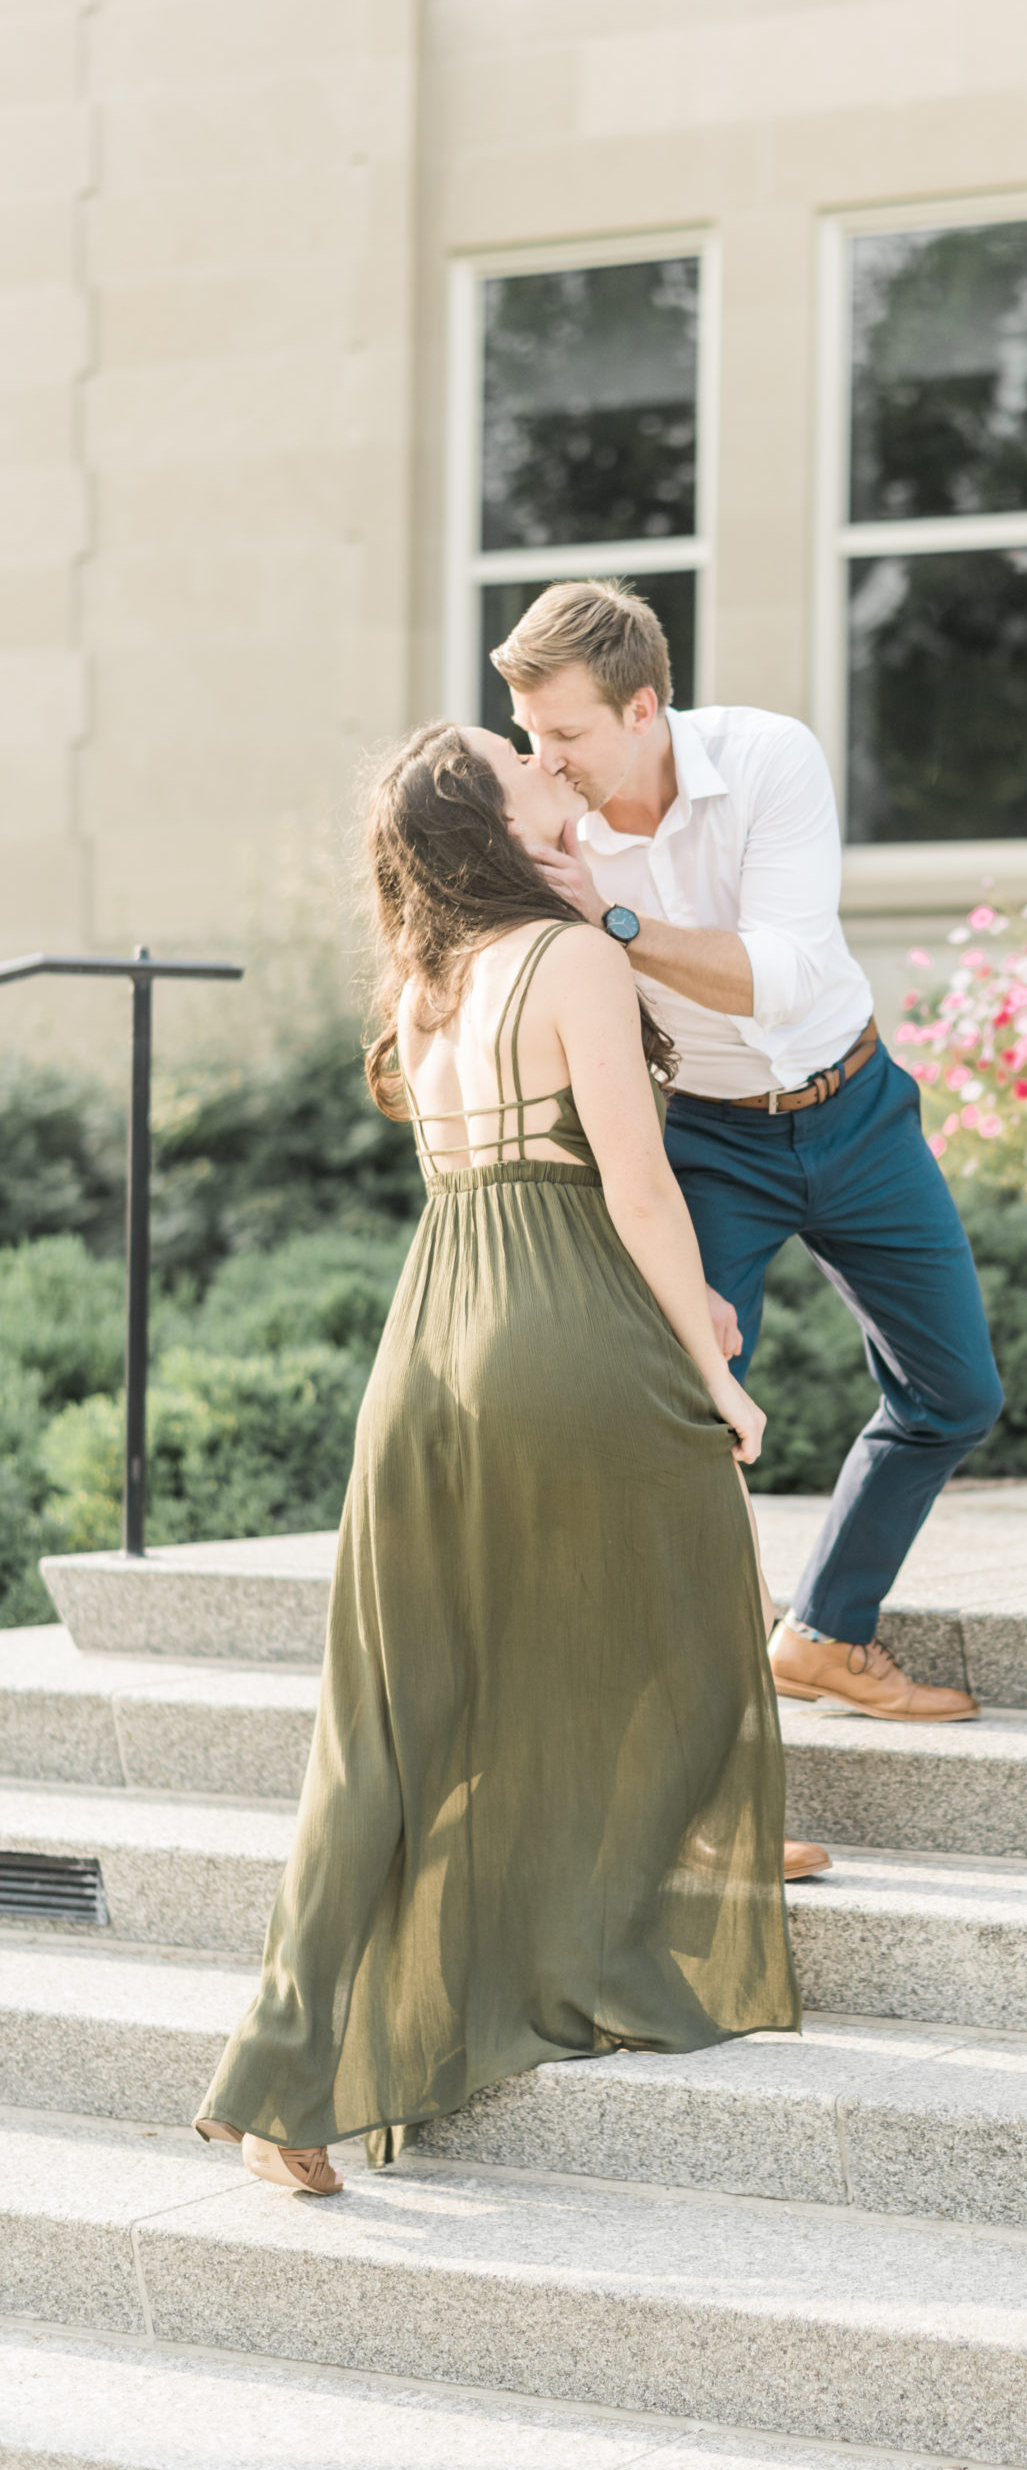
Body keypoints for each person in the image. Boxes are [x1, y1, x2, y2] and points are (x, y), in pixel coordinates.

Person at [193, 720, 805, 2195]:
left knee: (391, 1721)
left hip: (429, 1348)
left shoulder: (424, 984)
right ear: (490, 811)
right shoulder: (574, 959)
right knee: (684, 1606)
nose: (550, 762)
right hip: (561, 1333)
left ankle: (282, 2074)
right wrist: (717, 1369)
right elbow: (641, 1191)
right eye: (517, 759)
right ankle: (581, 1928)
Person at [491, 579, 1004, 1724]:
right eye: (529, 734)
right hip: (709, 1144)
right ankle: (690, 1724)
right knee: (681, 1415)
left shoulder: (769, 759)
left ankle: (823, 1633)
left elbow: (778, 975)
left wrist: (612, 920)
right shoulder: (542, 835)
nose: (547, 760)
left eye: (565, 732)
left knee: (955, 1392)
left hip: (857, 1107)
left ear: (641, 709)